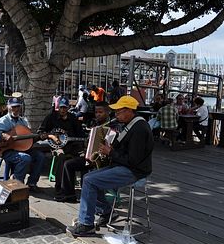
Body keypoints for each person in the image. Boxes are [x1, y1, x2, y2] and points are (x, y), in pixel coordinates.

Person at [66, 96, 154, 237]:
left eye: (119, 111)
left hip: (134, 171)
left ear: (129, 111)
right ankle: (106, 212)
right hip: (125, 166)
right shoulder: (131, 125)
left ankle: (87, 225)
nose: (116, 114)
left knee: (89, 180)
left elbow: (133, 161)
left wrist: (111, 152)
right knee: (87, 178)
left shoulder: (139, 129)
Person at [54, 101, 118, 202]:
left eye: (100, 112)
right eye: (96, 112)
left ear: (108, 112)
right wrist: (85, 148)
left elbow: (114, 144)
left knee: (87, 173)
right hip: (91, 158)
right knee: (68, 164)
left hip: (105, 161)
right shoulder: (94, 124)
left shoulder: (113, 126)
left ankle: (95, 201)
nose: (98, 114)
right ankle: (69, 196)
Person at [0, 97, 46, 191]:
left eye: (17, 107)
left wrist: (39, 137)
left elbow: (29, 140)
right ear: (8, 107)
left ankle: (32, 183)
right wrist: (3, 135)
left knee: (40, 156)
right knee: (25, 158)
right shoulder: (4, 121)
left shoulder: (23, 121)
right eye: (13, 107)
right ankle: (17, 184)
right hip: (7, 150)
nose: (15, 109)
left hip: (21, 148)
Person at [37, 96, 85, 195]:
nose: (63, 110)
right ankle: (59, 188)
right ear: (58, 107)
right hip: (56, 146)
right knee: (61, 157)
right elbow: (41, 132)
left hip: (71, 146)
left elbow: (80, 135)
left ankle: (82, 188)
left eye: (65, 108)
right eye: (61, 107)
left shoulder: (73, 118)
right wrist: (51, 136)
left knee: (84, 159)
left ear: (68, 108)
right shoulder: (51, 117)